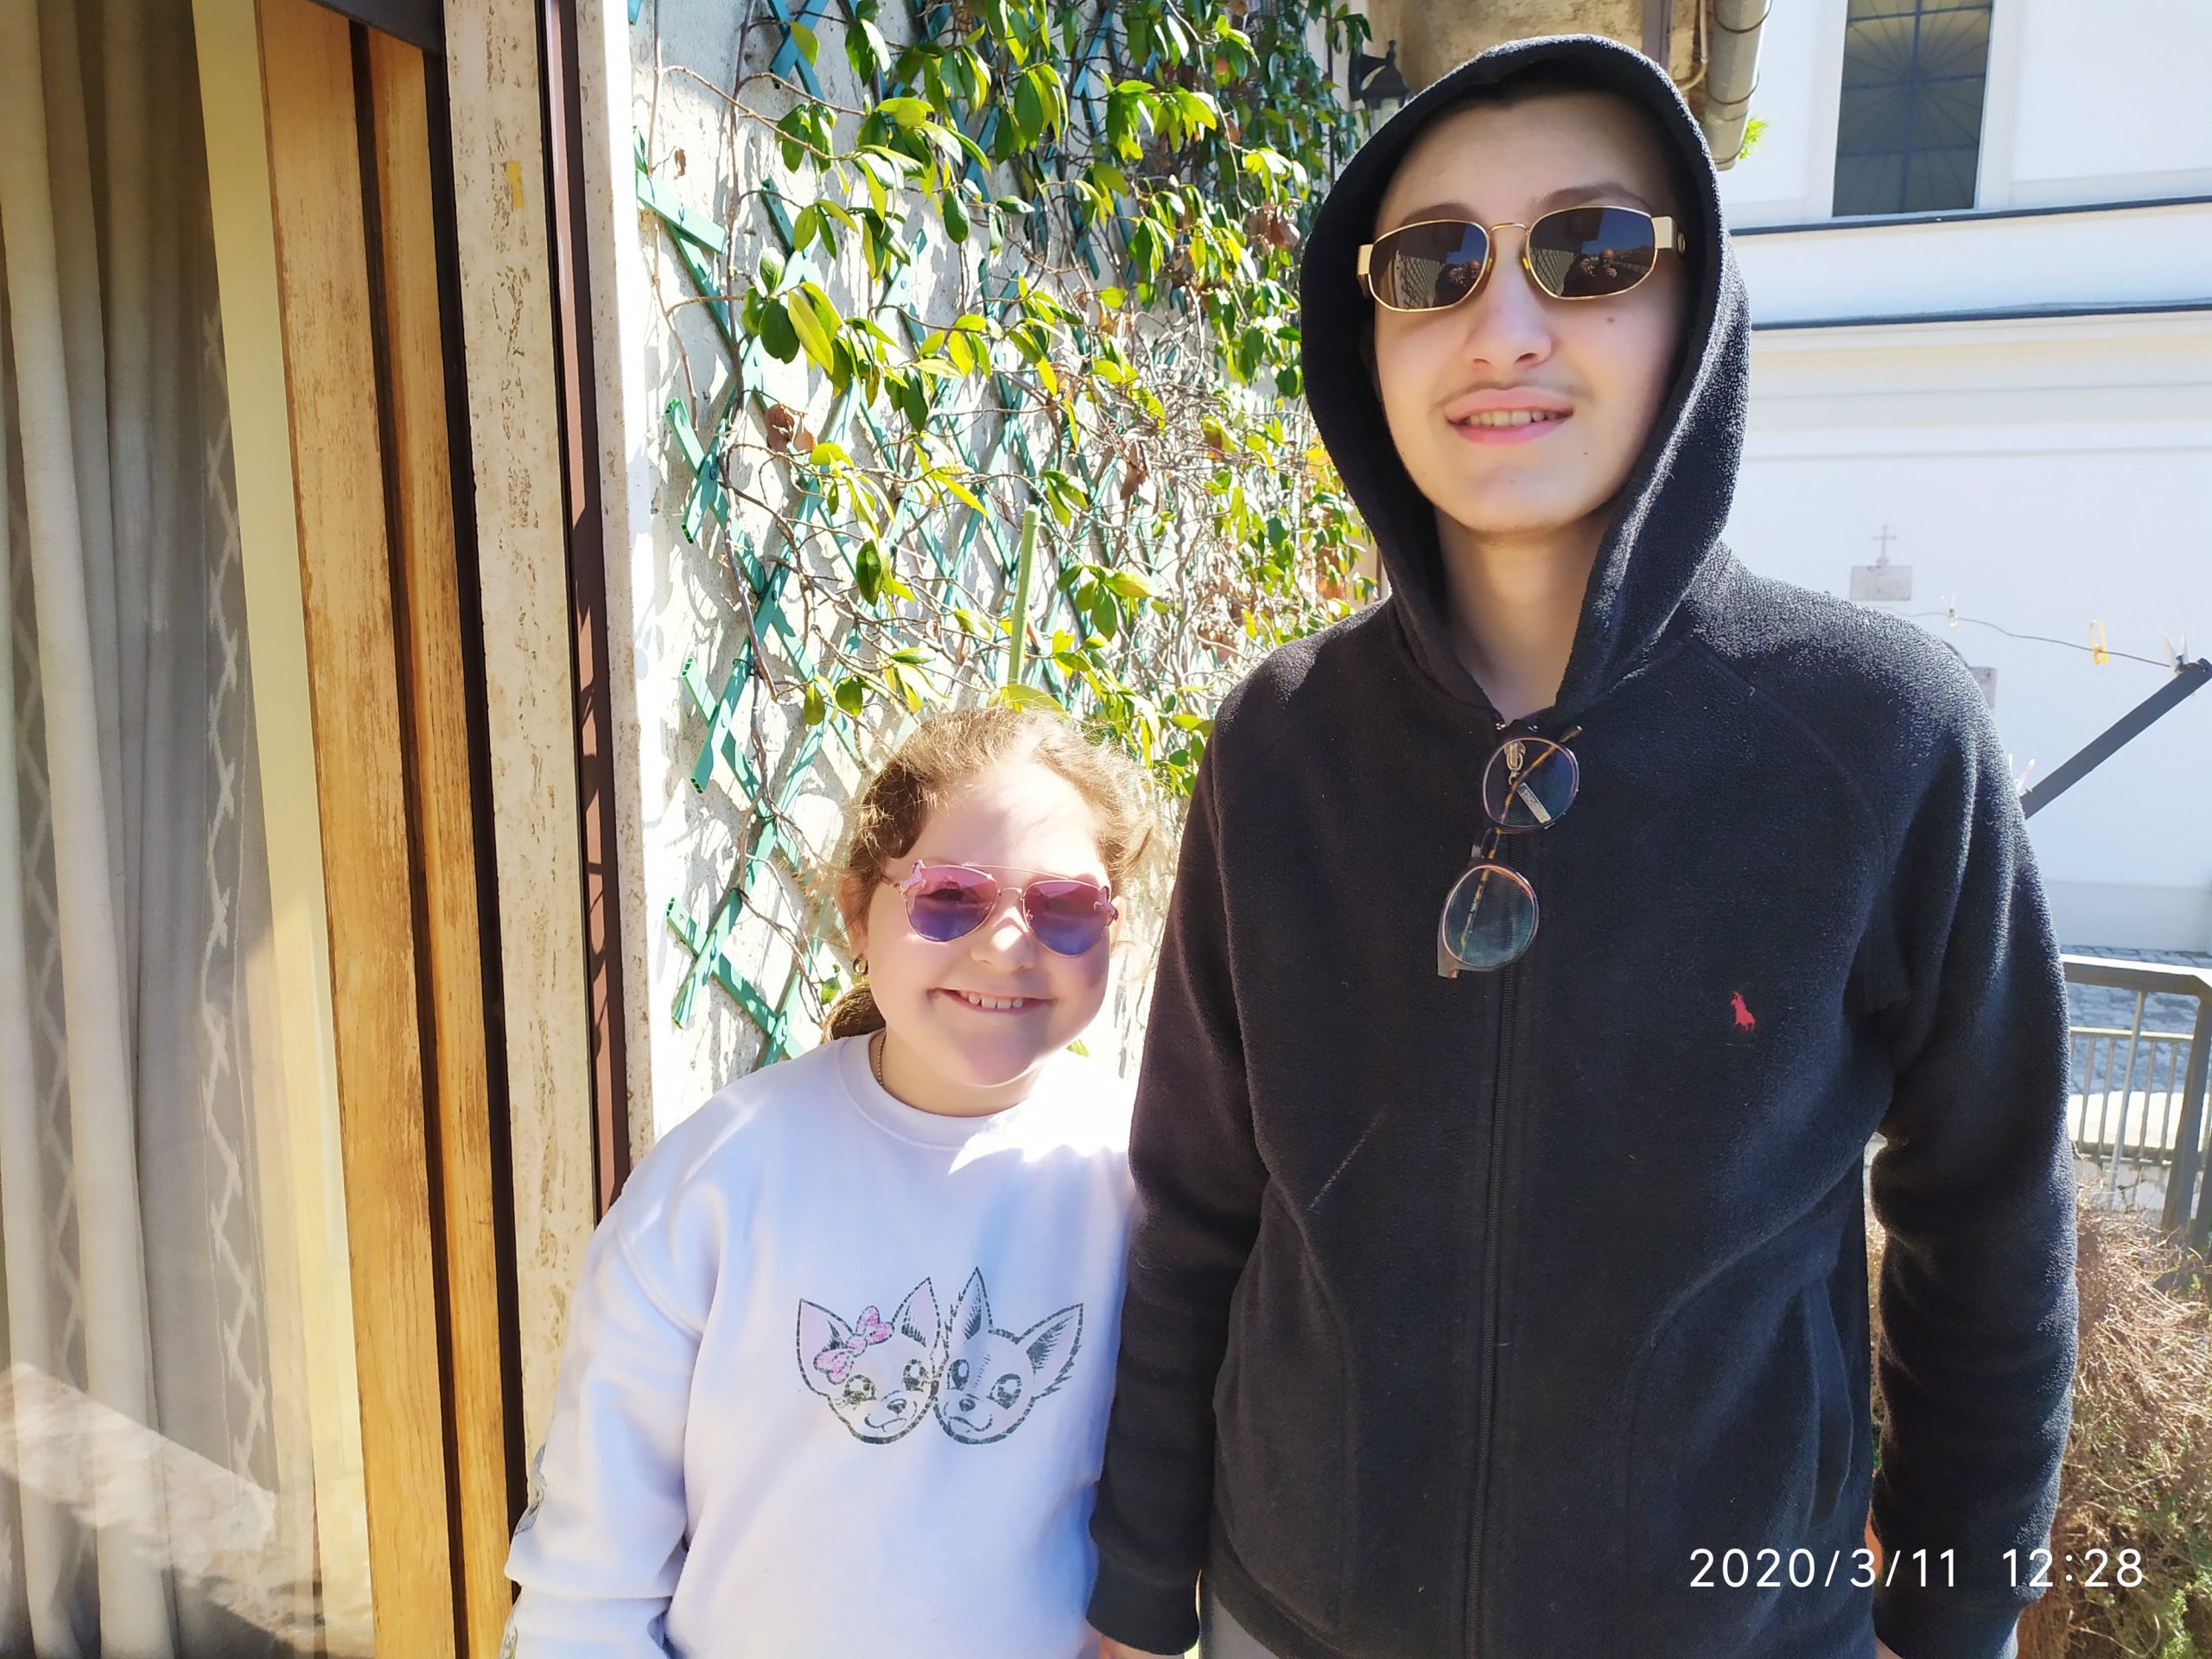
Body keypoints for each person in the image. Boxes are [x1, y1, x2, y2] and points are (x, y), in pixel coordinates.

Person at [1088, 33, 2075, 1659]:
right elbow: (1198, 1198)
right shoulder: (1277, 745)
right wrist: (1138, 1601)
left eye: (1590, 249)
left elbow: (1991, 1218)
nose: (1507, 325)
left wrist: (1954, 1619)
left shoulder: (1881, 737)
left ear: (1697, 311)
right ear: (1366, 329)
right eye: (1435, 264)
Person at [505, 705, 1156, 1657]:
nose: (1008, 946)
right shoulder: (722, 1179)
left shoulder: (1148, 1182)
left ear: (1113, 926)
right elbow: (589, 1577)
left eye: (1062, 908)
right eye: (948, 898)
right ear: (858, 908)